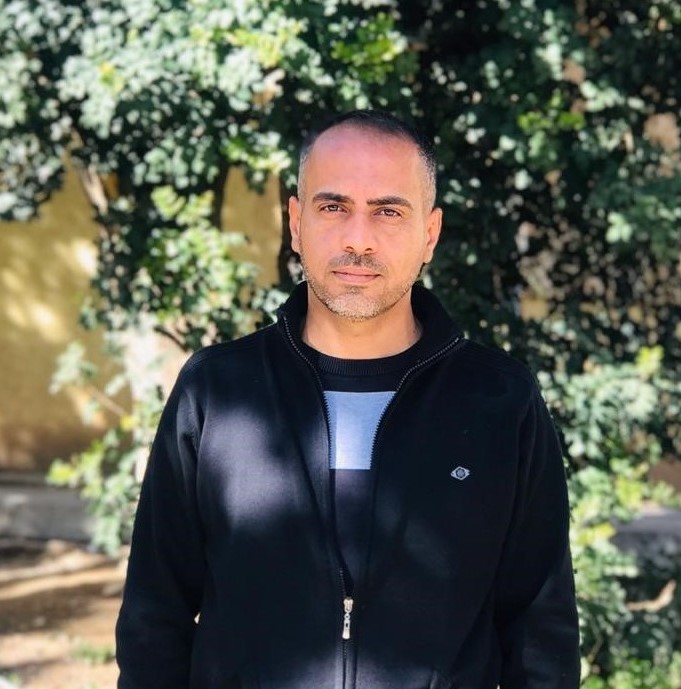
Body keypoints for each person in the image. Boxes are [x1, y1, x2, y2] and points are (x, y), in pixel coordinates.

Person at [116, 110, 580, 689]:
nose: (358, 239)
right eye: (333, 207)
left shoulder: (499, 401)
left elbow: (540, 631)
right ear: (296, 223)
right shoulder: (217, 391)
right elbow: (154, 617)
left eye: (388, 211)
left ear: (430, 234)